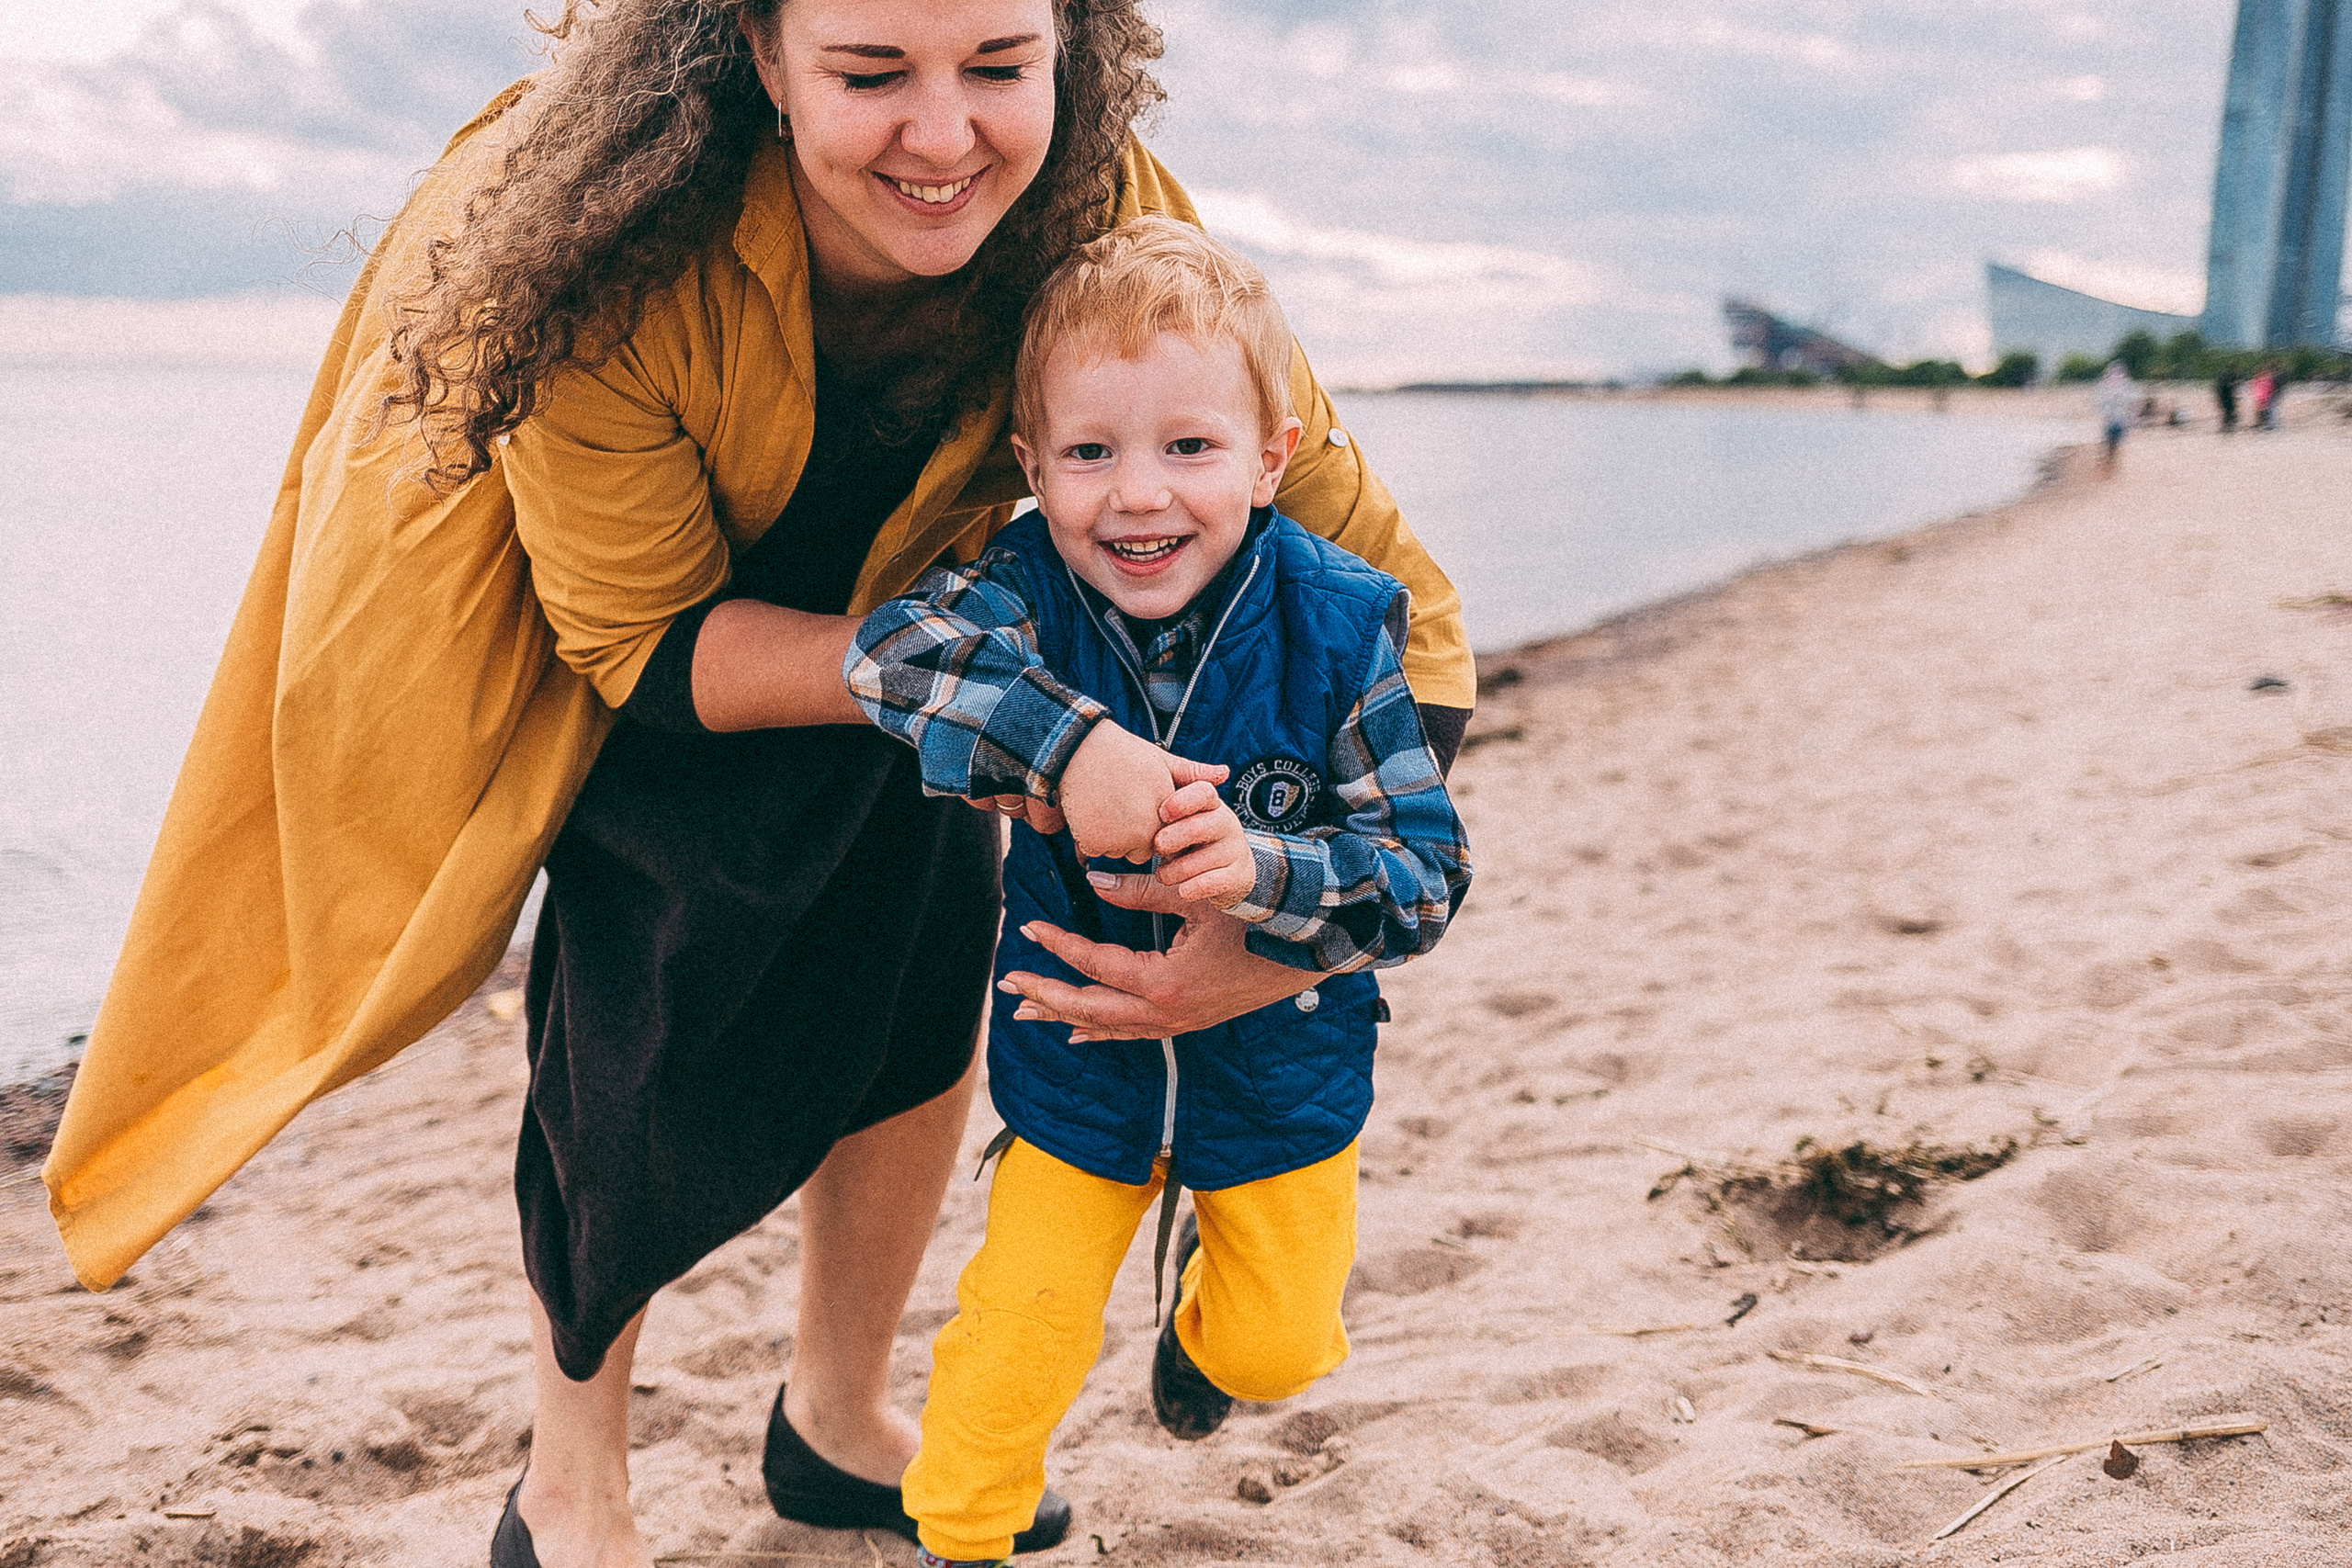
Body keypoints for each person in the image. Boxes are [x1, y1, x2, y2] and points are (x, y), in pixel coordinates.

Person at [39, 5, 1476, 1567]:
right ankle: (571, 1478)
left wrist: (1262, 941)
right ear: (760, 55)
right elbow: (642, 644)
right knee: (633, 1045)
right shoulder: (600, 244)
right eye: (872, 75)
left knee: (921, 981)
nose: (947, 137)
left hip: (961, 631)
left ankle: (835, 1414)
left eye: (1001, 64)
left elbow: (1387, 591)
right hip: (685, 655)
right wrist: (1039, 730)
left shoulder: (1102, 213)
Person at [843, 218, 1470, 1568]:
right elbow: (887, 657)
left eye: (1188, 447)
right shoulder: (1022, 590)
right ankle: (961, 1536)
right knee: (1013, 1343)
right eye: (1090, 453)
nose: (1137, 497)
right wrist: (1066, 747)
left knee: (1280, 1343)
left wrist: (1270, 873)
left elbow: (1425, 876)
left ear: (1272, 453)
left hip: (1283, 1069)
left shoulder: (1345, 622)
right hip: (1079, 1065)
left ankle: (1199, 1319)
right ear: (1032, 465)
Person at [2095, 359, 2138, 474]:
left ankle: (2108, 463)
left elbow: (2132, 403)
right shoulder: (2106, 387)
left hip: (2120, 420)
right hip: (2113, 419)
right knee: (2110, 442)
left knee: (2113, 443)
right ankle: (2107, 462)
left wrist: (2131, 416)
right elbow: (2100, 403)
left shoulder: (2127, 387)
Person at [2215, 366, 2241, 432]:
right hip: (2227, 400)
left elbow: (2219, 392)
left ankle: (2227, 426)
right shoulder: (2226, 384)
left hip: (2225, 400)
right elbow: (2231, 390)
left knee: (2227, 413)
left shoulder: (2221, 384)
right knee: (2229, 413)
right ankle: (2228, 426)